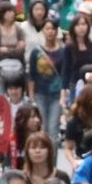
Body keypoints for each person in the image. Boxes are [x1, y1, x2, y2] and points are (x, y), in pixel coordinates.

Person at [26, 17, 65, 145]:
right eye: (47, 28)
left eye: (53, 29)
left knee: (53, 130)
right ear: (43, 30)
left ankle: (51, 164)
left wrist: (63, 97)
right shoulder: (36, 52)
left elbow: (64, 74)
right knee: (40, 128)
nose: (50, 32)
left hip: (56, 95)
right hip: (39, 94)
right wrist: (31, 97)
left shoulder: (63, 52)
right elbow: (31, 75)